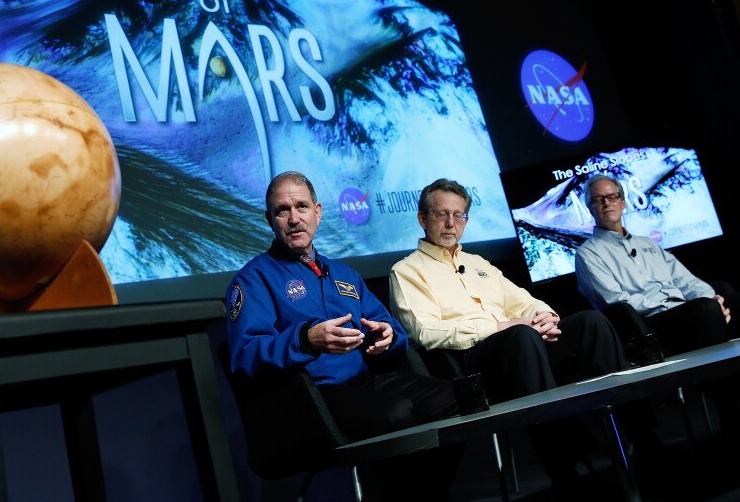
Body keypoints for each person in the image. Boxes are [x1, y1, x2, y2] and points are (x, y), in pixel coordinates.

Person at [389, 177, 664, 500]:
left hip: (524, 347)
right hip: (472, 367)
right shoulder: (406, 271)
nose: (451, 223)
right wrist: (502, 326)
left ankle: (646, 441)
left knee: (591, 323)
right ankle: (564, 470)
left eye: (458, 215)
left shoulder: (478, 264)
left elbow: (524, 302)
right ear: (423, 219)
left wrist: (545, 318)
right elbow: (424, 332)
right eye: (441, 214)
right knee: (520, 335)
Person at [225, 171, 463, 500]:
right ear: (270, 220)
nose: (294, 218)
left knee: (457, 400)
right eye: (282, 210)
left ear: (318, 212)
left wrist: (387, 337)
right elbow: (245, 356)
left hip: (367, 380)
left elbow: (391, 328)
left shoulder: (344, 274)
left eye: (302, 207)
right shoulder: (252, 281)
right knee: (396, 414)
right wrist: (305, 339)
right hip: (314, 398)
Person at [574, 173, 740, 435]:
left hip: (687, 314)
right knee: (704, 312)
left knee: (726, 296)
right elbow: (616, 302)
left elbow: (687, 281)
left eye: (613, 196)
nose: (607, 203)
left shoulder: (648, 244)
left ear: (624, 201)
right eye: (598, 199)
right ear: (589, 207)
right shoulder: (588, 254)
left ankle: (729, 401)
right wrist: (685, 305)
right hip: (646, 328)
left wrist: (713, 299)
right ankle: (730, 408)